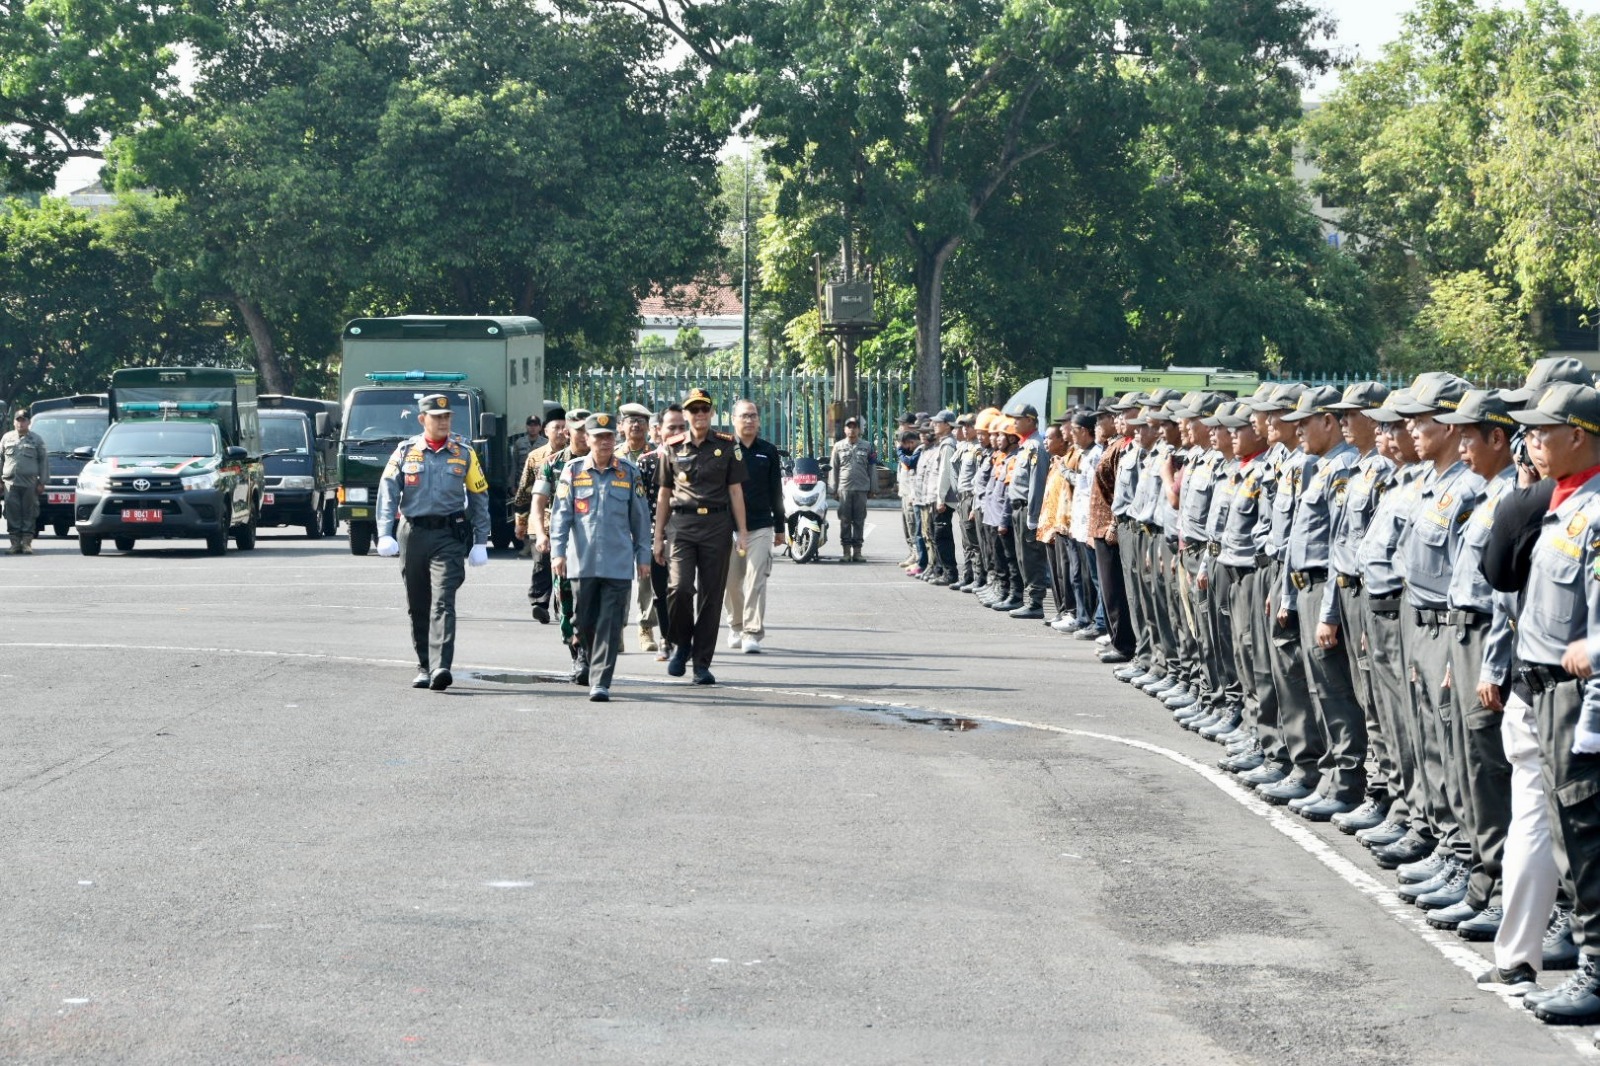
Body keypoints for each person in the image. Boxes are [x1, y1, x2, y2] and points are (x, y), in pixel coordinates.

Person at [374, 393, 491, 691]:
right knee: (418, 603)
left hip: (448, 535)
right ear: (422, 419)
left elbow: (479, 496)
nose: (443, 422)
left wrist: (480, 540)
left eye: (447, 417)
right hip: (412, 533)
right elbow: (388, 490)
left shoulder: (464, 453)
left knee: (443, 600)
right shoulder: (404, 452)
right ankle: (424, 664)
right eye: (437, 417)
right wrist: (384, 532)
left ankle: (441, 666)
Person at [548, 413, 653, 702]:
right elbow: (560, 516)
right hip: (583, 562)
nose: (605, 442)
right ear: (588, 439)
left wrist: (643, 556)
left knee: (610, 623)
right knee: (585, 622)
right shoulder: (573, 471)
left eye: (609, 436)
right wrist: (558, 552)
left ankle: (601, 681)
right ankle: (592, 663)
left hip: (618, 564)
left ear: (614, 438)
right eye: (598, 437)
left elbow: (640, 520)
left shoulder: (629, 473)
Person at [653, 388, 749, 685]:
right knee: (678, 589)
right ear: (686, 414)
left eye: (704, 409)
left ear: (711, 412)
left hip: (717, 525)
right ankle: (682, 644)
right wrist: (658, 537)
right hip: (682, 526)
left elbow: (735, 491)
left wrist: (742, 532)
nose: (699, 414)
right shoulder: (672, 446)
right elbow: (664, 493)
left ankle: (701, 663)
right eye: (693, 410)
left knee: (710, 597)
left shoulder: (728, 445)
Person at [725, 399, 786, 653]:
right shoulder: (724, 448)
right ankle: (736, 625)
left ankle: (751, 632)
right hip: (728, 527)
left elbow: (776, 491)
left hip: (760, 526)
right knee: (731, 582)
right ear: (733, 419)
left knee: (755, 579)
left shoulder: (768, 451)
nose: (749, 420)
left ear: (759, 420)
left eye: (753, 416)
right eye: (744, 416)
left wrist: (781, 528)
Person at [513, 408, 568, 623]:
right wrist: (520, 522)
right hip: (541, 519)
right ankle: (539, 603)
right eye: (557, 428)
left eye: (565, 428)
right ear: (546, 430)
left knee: (564, 565)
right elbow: (524, 490)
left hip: (567, 519)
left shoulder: (577, 456)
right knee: (542, 562)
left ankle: (561, 605)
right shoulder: (536, 457)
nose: (561, 432)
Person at [619, 402, 659, 651]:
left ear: (648, 427)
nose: (636, 425)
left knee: (647, 579)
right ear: (621, 426)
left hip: (648, 526)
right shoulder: (613, 456)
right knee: (620, 580)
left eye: (641, 421)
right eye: (631, 420)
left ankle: (645, 628)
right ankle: (618, 629)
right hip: (620, 528)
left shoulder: (656, 456)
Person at [828, 416, 876, 561]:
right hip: (844, 488)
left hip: (861, 489)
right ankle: (846, 552)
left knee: (859, 520)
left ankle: (857, 552)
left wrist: (873, 488)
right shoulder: (838, 446)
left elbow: (872, 468)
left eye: (855, 427)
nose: (852, 429)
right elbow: (833, 468)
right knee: (845, 520)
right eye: (849, 427)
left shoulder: (867, 446)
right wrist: (833, 488)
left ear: (859, 430)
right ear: (845, 429)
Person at [2, 409, 48, 554]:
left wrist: (42, 482)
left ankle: (27, 543)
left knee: (29, 511)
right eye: (18, 420)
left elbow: (43, 461)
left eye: (24, 420)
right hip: (10, 483)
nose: (21, 423)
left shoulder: (36, 439)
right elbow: (0, 459)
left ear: (29, 422)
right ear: (14, 422)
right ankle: (15, 543)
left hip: (30, 483)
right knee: (11, 511)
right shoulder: (6, 438)